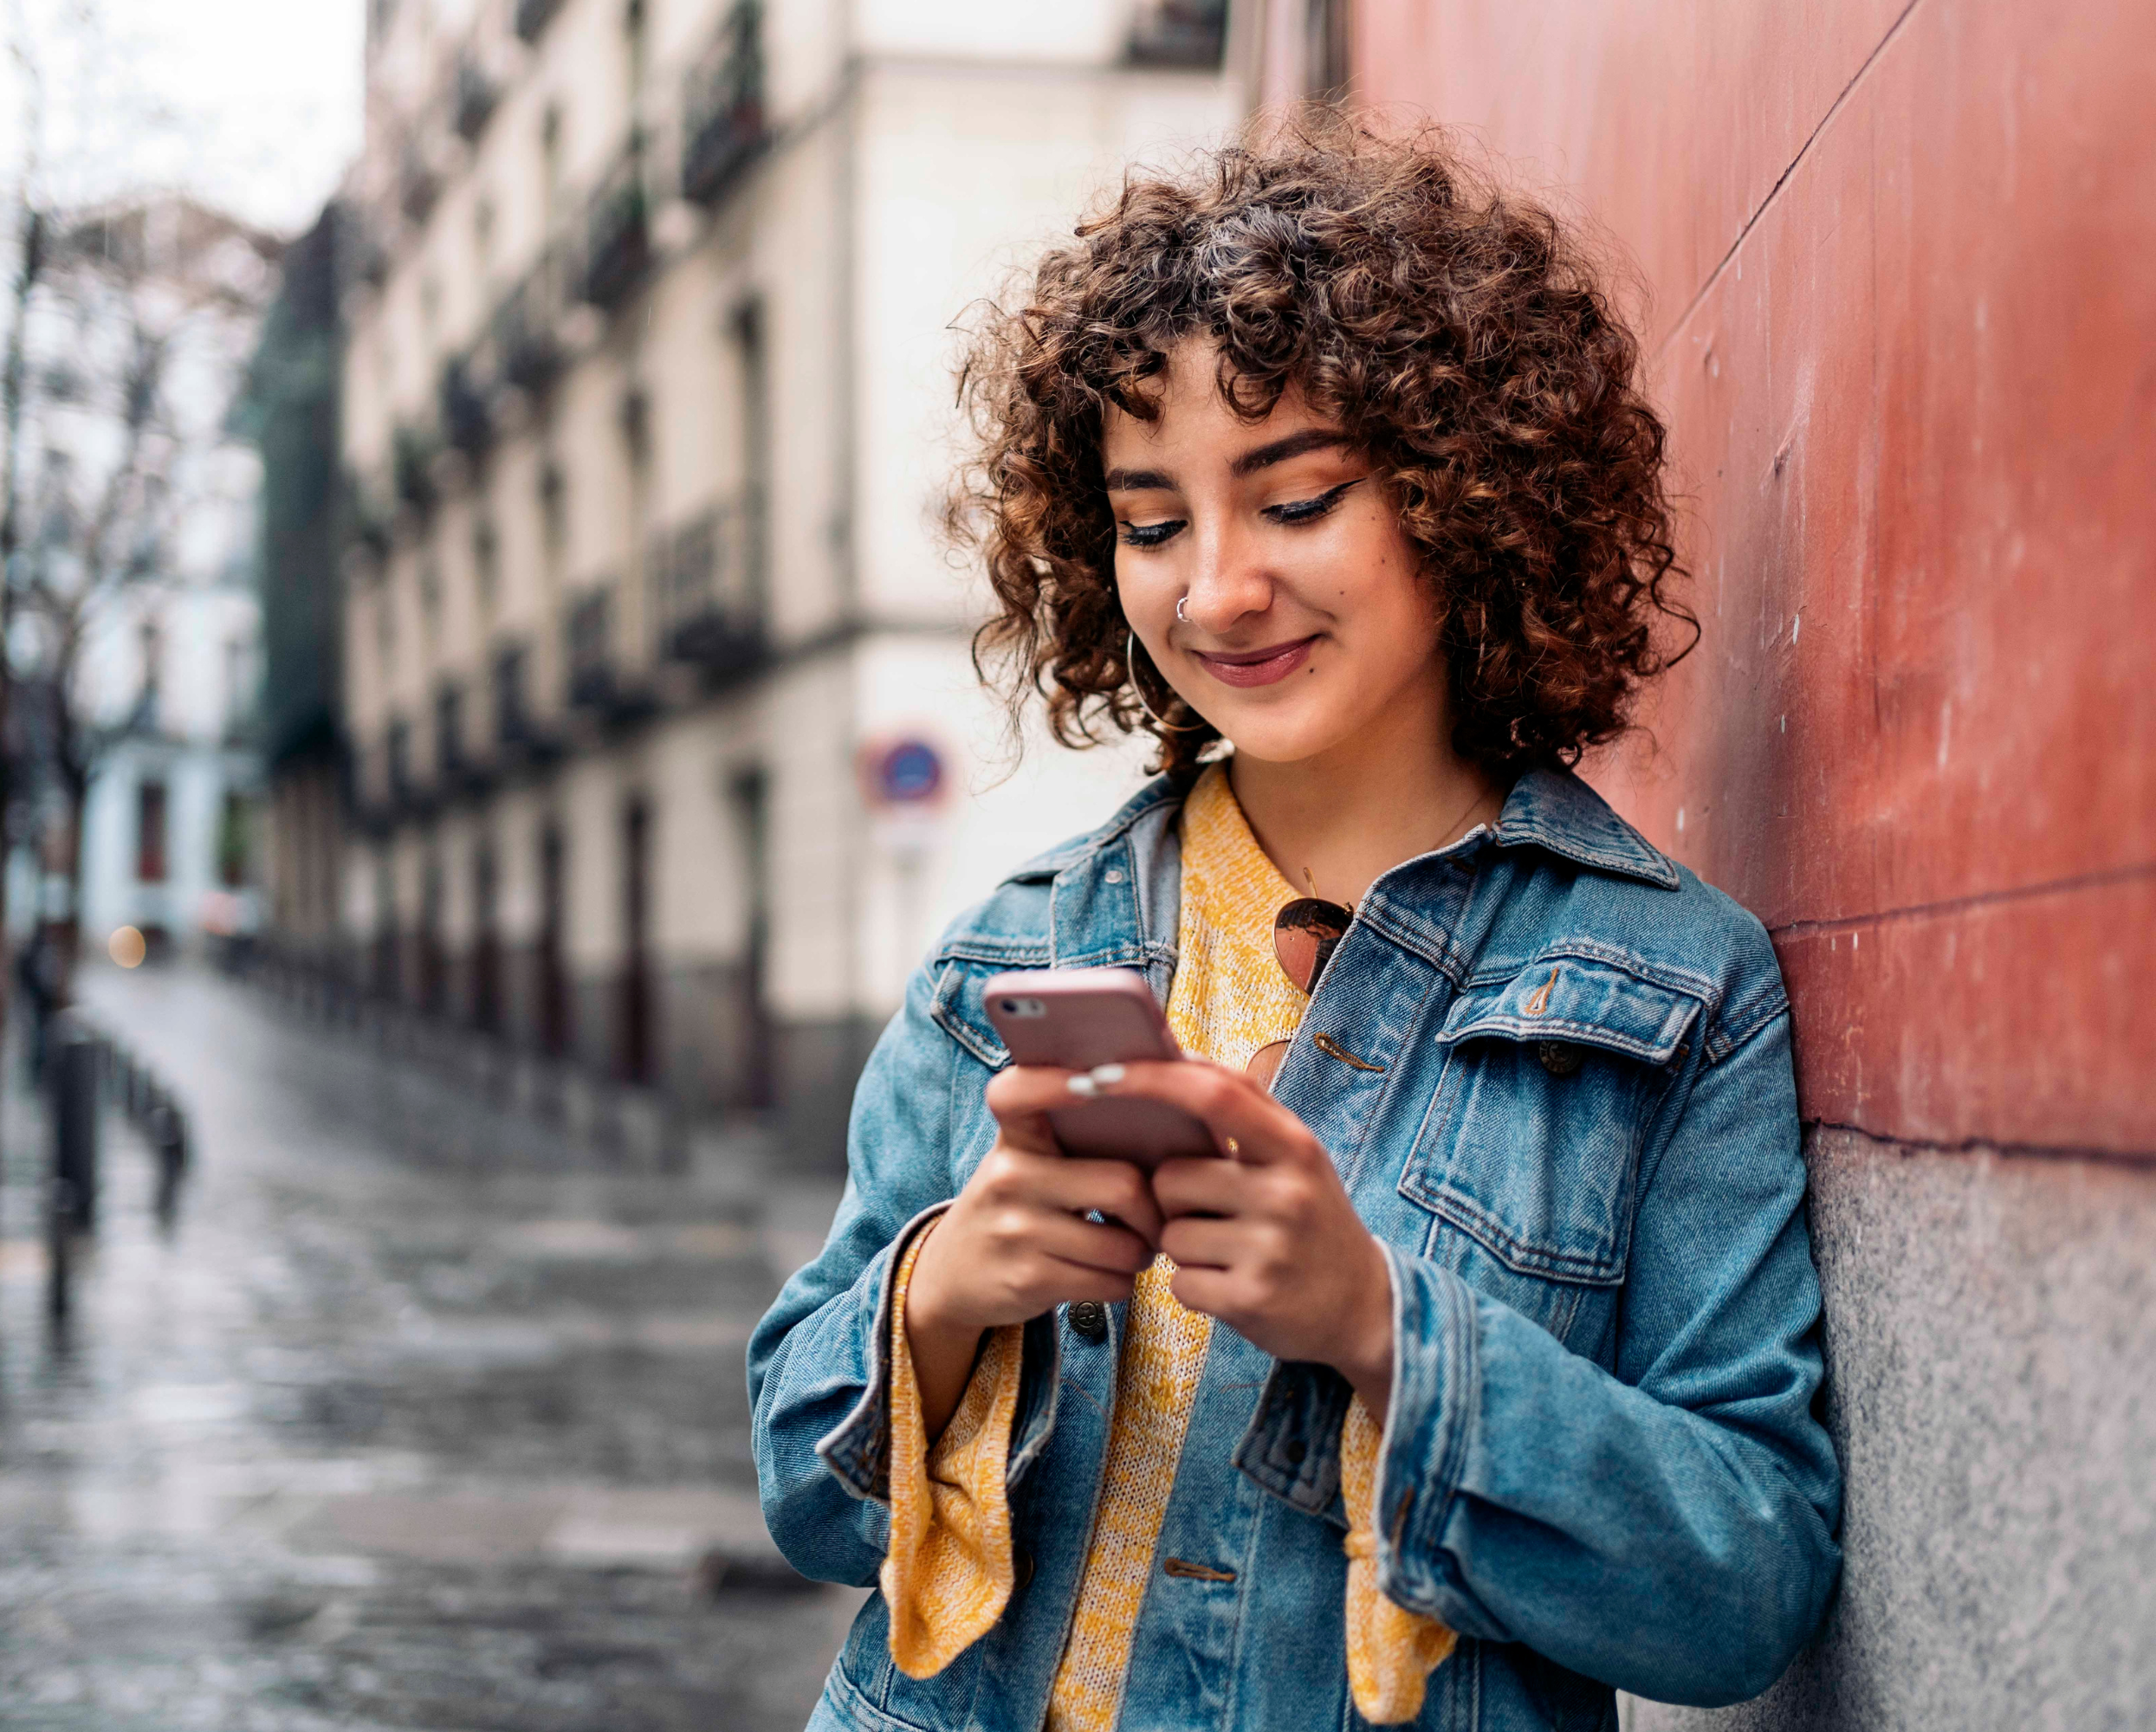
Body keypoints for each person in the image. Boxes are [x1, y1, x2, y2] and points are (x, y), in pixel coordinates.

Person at [748, 126, 1841, 1732]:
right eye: (1151, 521)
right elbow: (802, 1491)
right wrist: (946, 1292)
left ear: (1469, 490)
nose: (1217, 592)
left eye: (1299, 497)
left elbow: (1744, 1589)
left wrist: (1383, 1327)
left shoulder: (1676, 985)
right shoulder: (1010, 953)